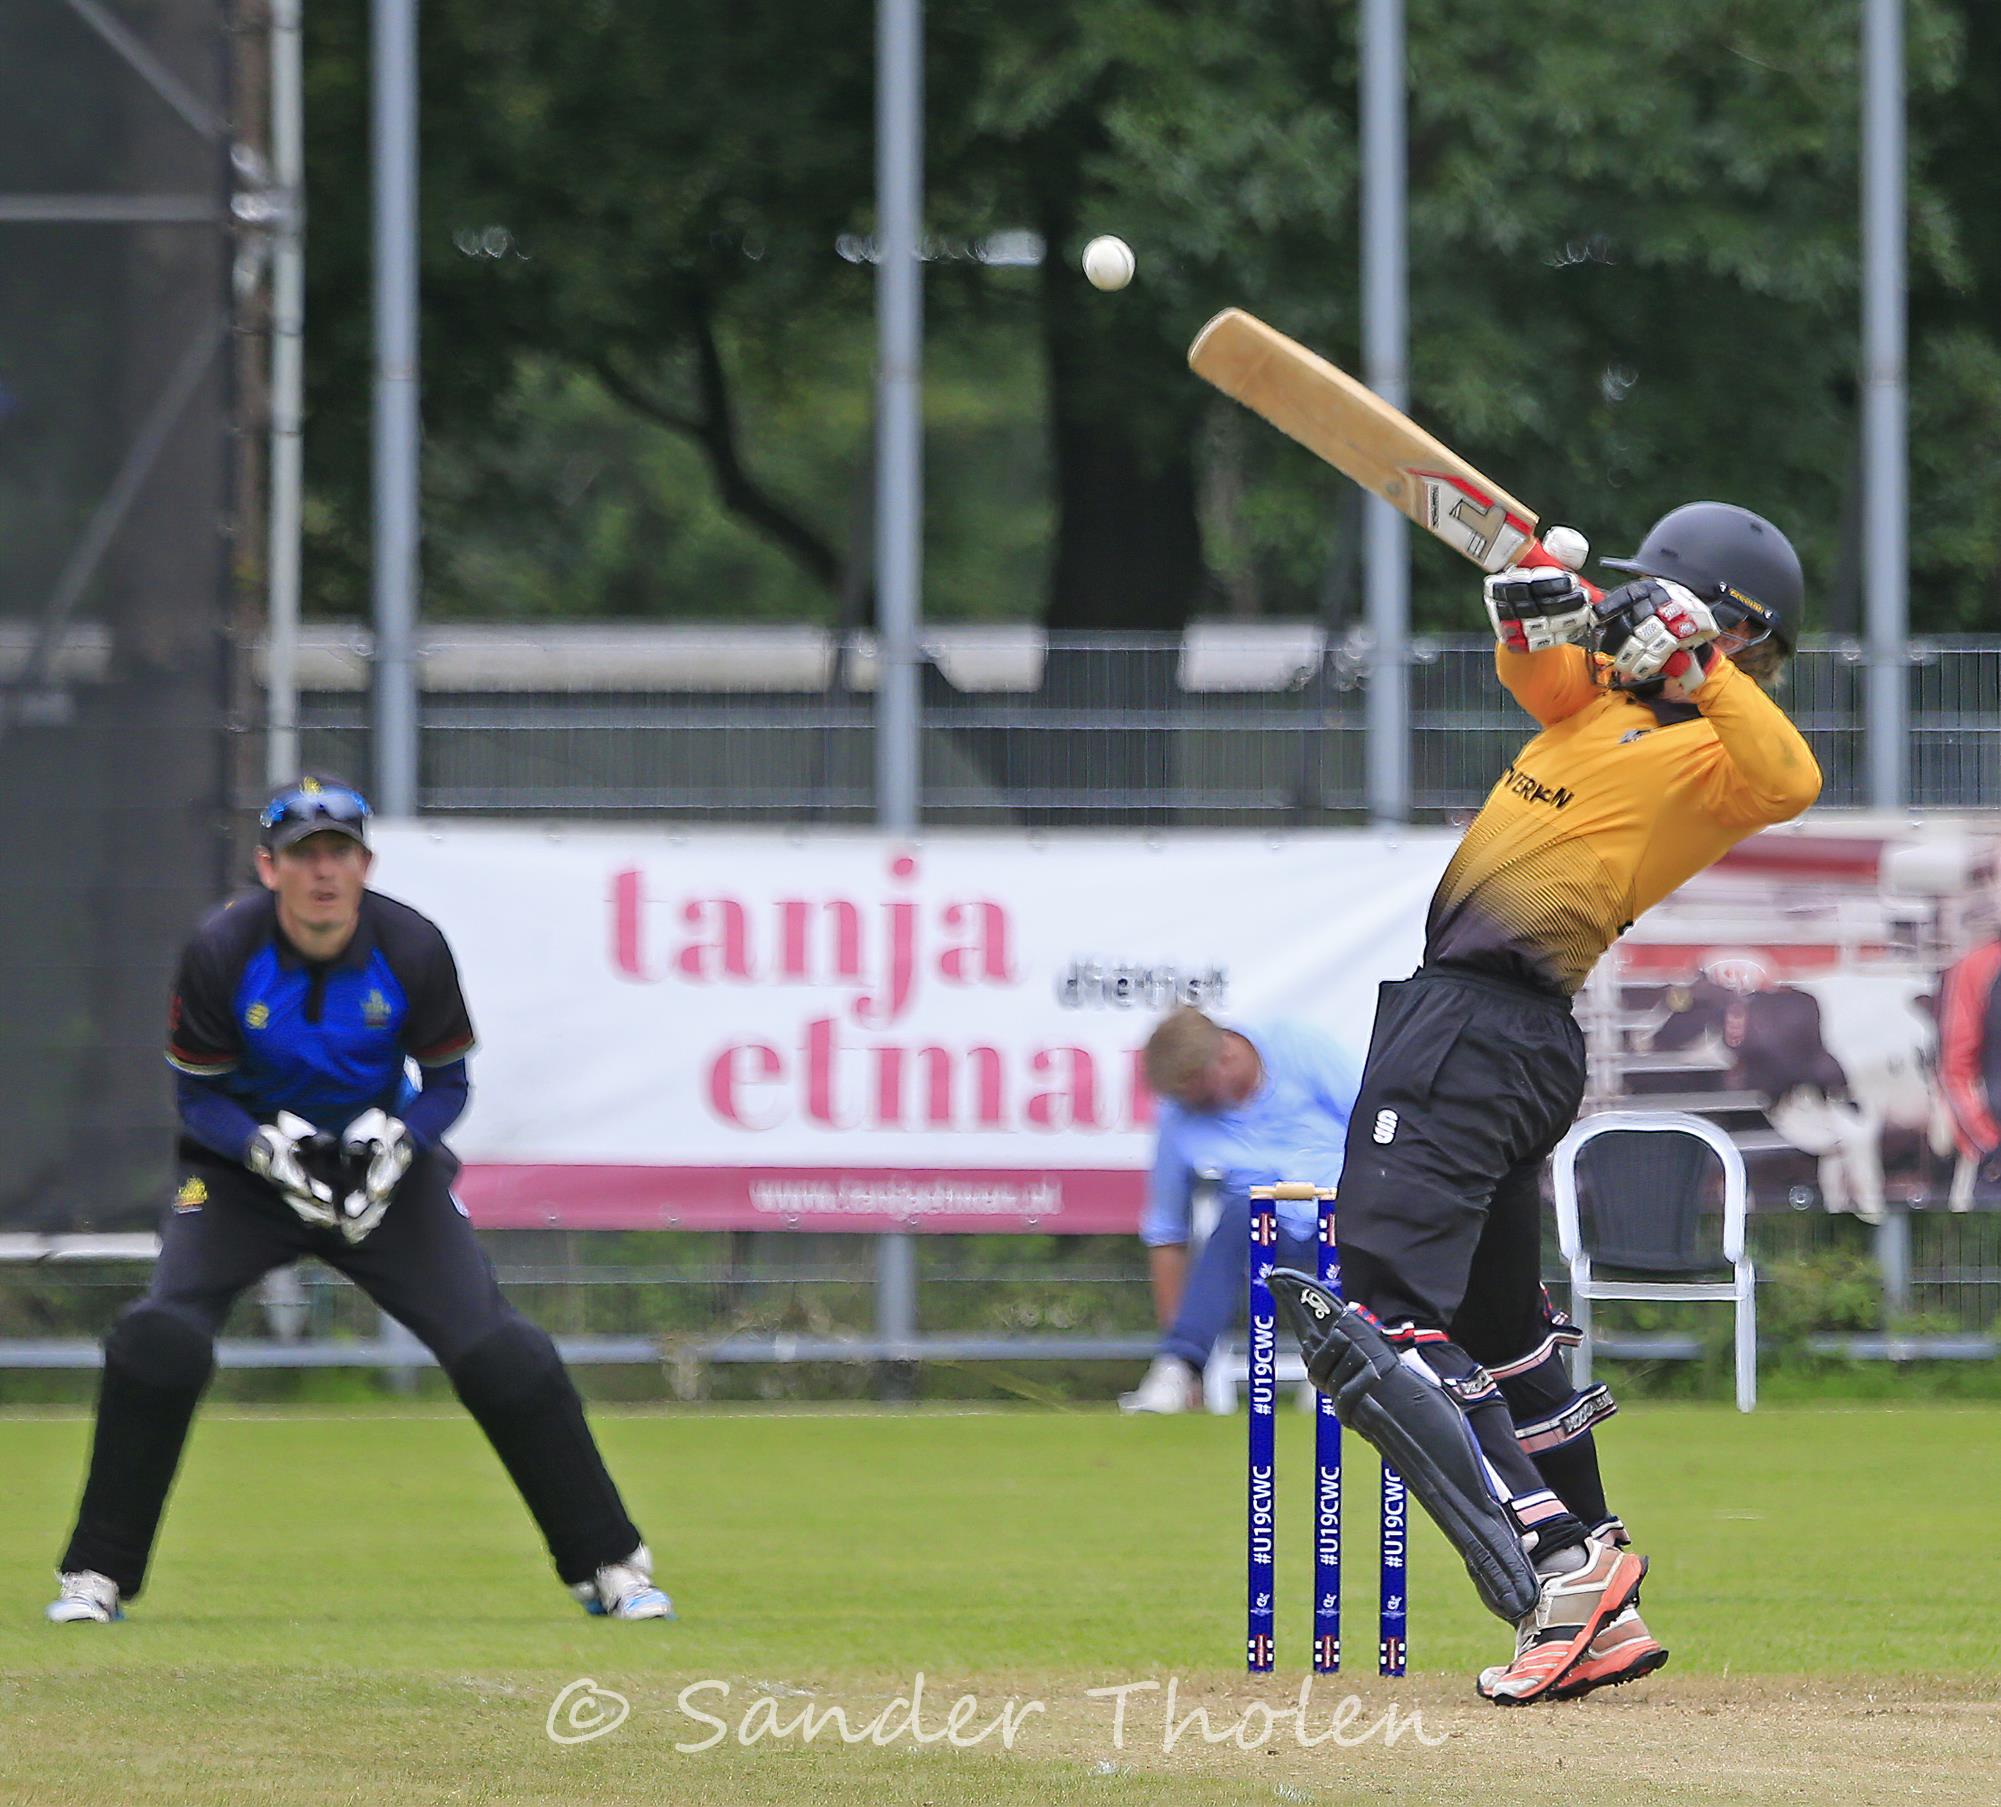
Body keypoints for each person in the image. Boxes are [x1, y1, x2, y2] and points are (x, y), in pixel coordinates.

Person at [1266, 503, 1822, 1705]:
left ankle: (1559, 1566)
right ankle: (1603, 1591)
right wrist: (1528, 604)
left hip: (1480, 1027)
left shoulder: (1715, 750)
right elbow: (1538, 667)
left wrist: (1702, 665)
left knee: (1379, 1312)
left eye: (1658, 597)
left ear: (1728, 626)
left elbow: (1795, 776)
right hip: (1491, 1032)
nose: (1631, 612)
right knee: (1501, 1330)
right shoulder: (1597, 703)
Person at [45, 777, 671, 1626]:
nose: (323, 871)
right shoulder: (222, 949)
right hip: (243, 1174)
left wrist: (400, 1142)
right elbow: (198, 1095)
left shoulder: (410, 944)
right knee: (158, 1338)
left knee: (501, 1350)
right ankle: (96, 1574)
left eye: (339, 851)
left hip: (378, 1171)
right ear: (269, 867)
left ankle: (610, 1563)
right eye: (303, 854)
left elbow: (447, 1084)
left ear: (365, 864)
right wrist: (262, 1149)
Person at [1119, 1008, 1360, 1413]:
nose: (1191, 1107)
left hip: (1346, 1218)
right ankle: (1180, 1368)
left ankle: (1346, 1362)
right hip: (1262, 1237)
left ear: (1226, 1056)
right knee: (1240, 1212)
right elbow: (1167, 1232)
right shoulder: (1176, 1115)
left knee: (1374, 1205)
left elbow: (1375, 1118)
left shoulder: (1297, 1045)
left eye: (1198, 1094)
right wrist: (1173, 1335)